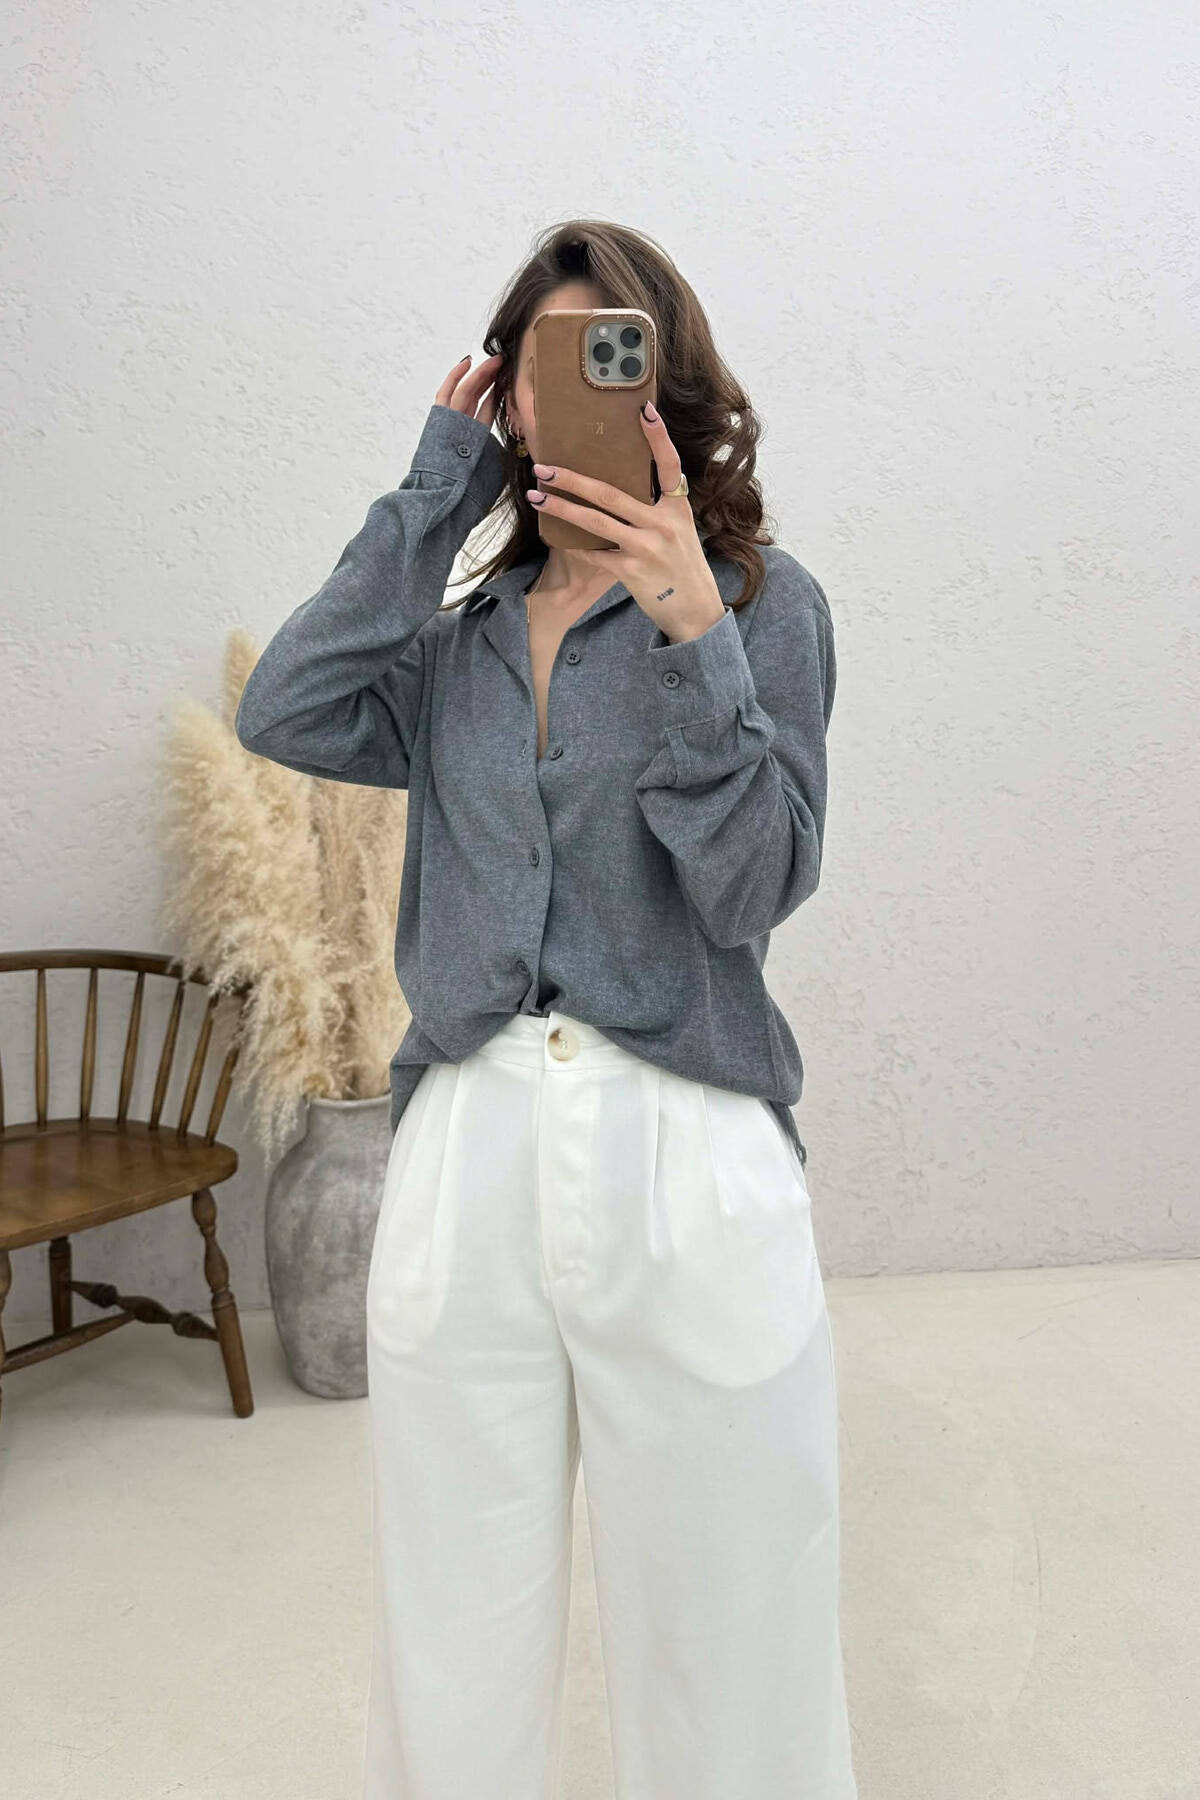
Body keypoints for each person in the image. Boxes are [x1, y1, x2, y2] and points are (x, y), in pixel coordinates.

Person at [235, 219, 856, 1800]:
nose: (563, 386)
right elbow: (285, 705)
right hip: (471, 1146)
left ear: (668, 385)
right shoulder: (452, 640)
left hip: (685, 1140)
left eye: (608, 354)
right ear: (504, 395)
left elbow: (755, 888)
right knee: (453, 1617)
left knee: (733, 1620)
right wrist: (428, 496)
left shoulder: (762, 611)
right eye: (534, 360)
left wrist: (694, 640)